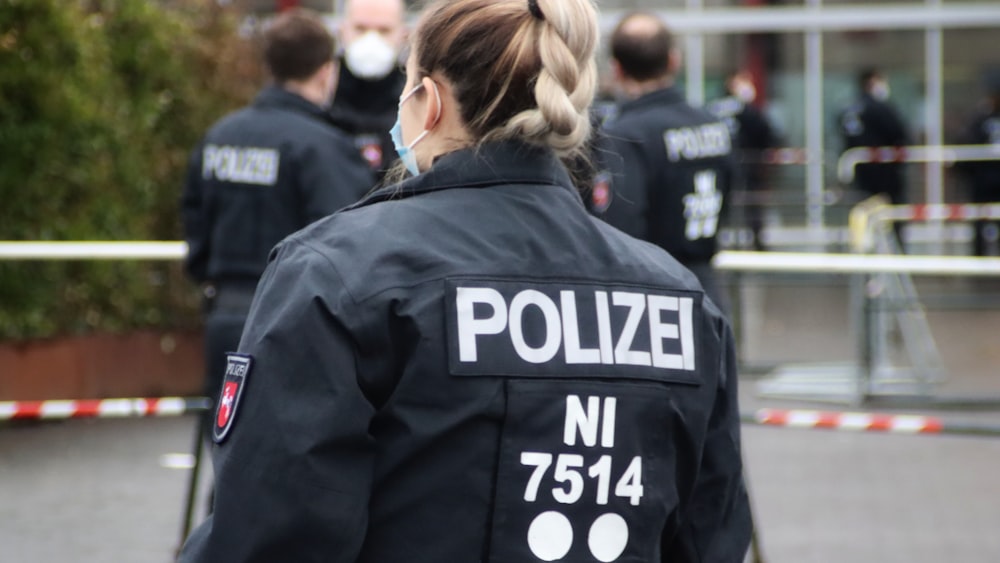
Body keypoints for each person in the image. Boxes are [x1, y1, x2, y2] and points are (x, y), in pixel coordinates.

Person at [178, 0, 751, 561]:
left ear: (429, 101)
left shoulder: (340, 271)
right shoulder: (679, 299)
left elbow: (271, 530)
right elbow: (712, 533)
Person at [180, 8, 374, 437]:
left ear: (269, 67)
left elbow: (195, 224)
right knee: (285, 459)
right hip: (294, 325)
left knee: (231, 450)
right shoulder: (324, 148)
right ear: (327, 72)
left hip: (225, 317)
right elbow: (347, 244)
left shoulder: (220, 136)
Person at [588, 12, 735, 312]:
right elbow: (730, 193)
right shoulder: (712, 125)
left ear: (616, 69)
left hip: (652, 298)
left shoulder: (625, 135)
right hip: (708, 291)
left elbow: (620, 226)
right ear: (673, 61)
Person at [328, 0, 408, 181]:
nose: (371, 40)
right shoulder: (321, 95)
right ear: (342, 31)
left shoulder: (415, 102)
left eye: (384, 31)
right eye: (360, 29)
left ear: (403, 35)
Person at [708, 70, 779, 251]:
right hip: (747, 166)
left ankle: (718, 242)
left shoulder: (713, 108)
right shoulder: (747, 109)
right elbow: (766, 133)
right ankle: (757, 243)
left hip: (719, 166)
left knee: (720, 204)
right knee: (751, 205)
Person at [838, 67, 910, 206]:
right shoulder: (879, 107)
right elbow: (898, 133)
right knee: (890, 206)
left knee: (864, 206)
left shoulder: (848, 109)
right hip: (883, 168)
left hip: (859, 168)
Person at [956, 79, 1000, 256]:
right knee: (981, 219)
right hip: (984, 180)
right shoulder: (980, 119)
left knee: (981, 219)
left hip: (984, 179)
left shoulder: (980, 119)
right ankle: (979, 258)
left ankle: (980, 256)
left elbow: (966, 143)